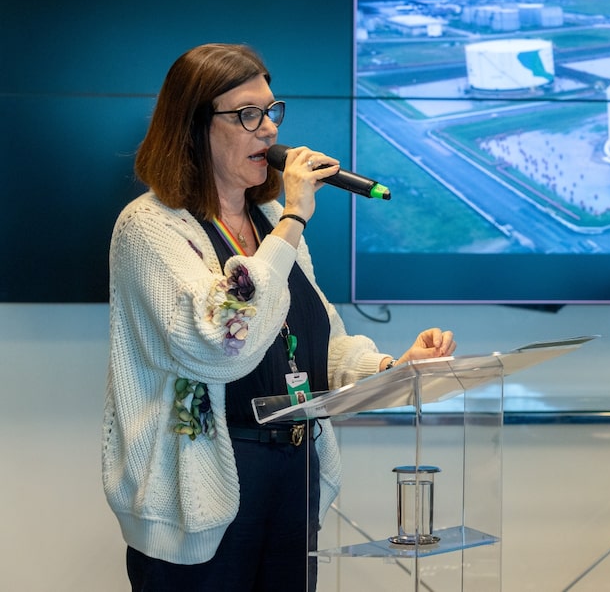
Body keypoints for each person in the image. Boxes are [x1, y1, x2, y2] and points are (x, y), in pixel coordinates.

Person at [102, 43, 457, 591]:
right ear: (193, 126)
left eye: (271, 111)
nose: (269, 129)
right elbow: (222, 342)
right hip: (205, 482)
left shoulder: (268, 217)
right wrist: (294, 219)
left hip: (295, 471)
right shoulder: (152, 226)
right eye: (248, 114)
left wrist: (394, 368)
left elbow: (318, 342)